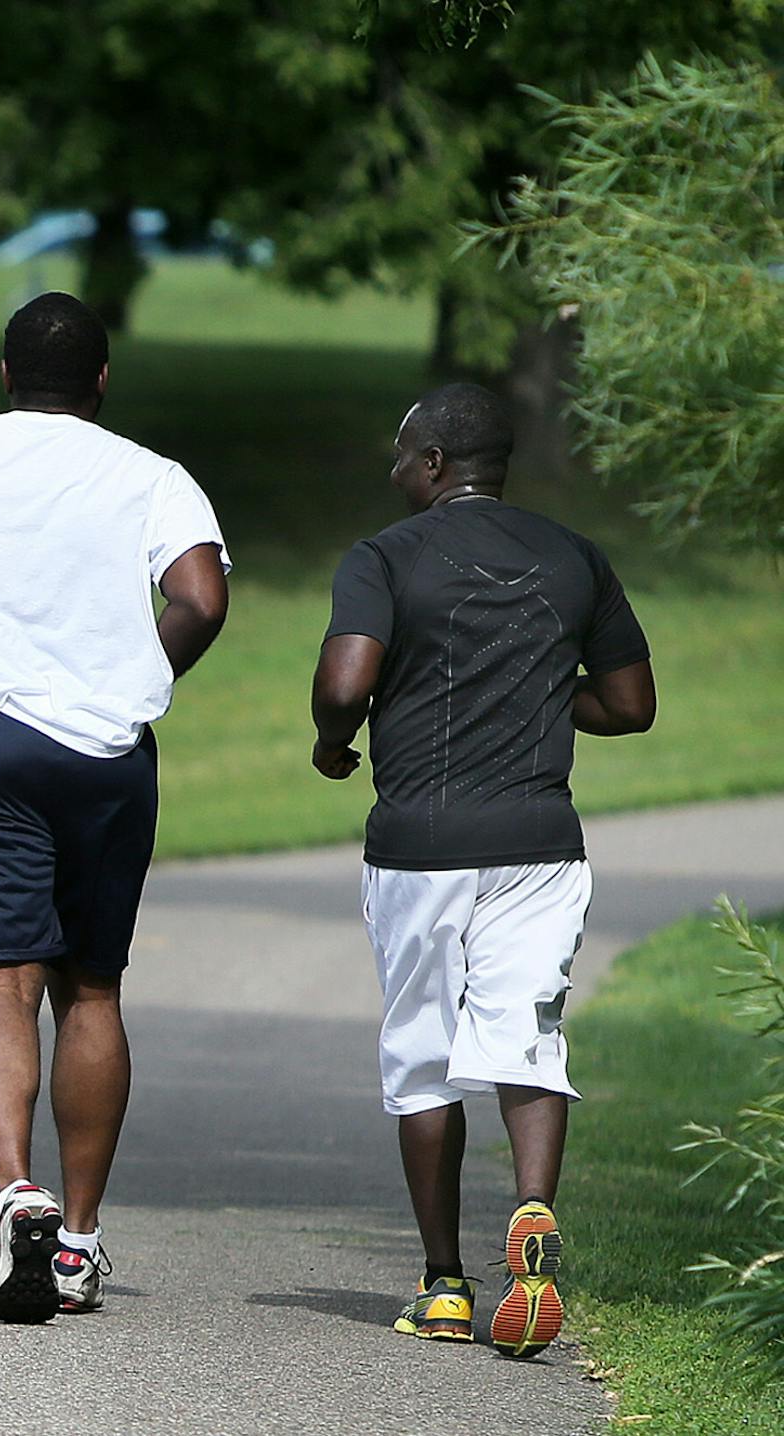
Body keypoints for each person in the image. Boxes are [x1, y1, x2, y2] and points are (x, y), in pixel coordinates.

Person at [0, 291, 230, 1323]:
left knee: (0, 982)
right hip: (108, 751)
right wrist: (130, 677)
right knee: (94, 989)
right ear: (104, 379)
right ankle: (76, 1237)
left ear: (4, 374)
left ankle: (15, 1190)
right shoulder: (154, 477)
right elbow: (202, 596)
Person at [310, 382, 655, 1356]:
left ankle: (446, 1284)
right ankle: (532, 1213)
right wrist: (550, 697)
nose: (392, 469)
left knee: (425, 1053)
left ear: (431, 465)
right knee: (528, 1039)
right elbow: (630, 703)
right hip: (540, 845)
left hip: (420, 845)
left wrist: (335, 743)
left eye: (399, 453)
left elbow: (345, 681)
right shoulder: (572, 555)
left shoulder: (385, 555)